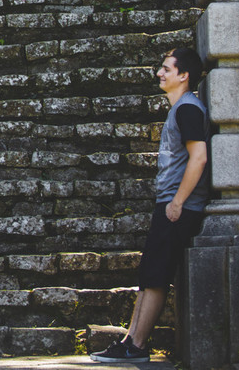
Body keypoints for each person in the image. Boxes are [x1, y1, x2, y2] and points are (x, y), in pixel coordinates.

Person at [91, 47, 210, 363]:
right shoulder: (180, 109)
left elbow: (199, 158)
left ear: (183, 75)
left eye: (166, 68)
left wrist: (178, 202)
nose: (160, 73)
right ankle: (130, 340)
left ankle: (138, 346)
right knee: (149, 274)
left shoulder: (188, 109)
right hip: (170, 203)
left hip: (179, 205)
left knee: (156, 275)